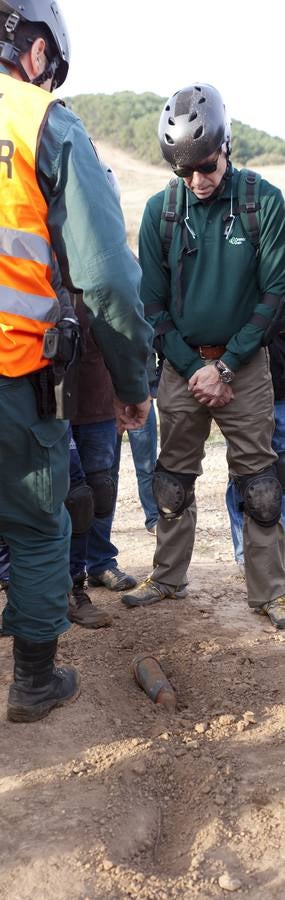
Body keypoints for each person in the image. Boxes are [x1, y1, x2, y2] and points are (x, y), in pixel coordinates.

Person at [0, 0, 152, 723]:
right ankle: (34, 684)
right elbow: (110, 278)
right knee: (36, 524)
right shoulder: (41, 121)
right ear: (34, 51)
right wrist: (133, 384)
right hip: (11, 372)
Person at [122, 82, 285, 631]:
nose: (197, 181)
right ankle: (168, 578)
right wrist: (195, 369)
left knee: (260, 485)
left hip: (246, 370)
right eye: (183, 171)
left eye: (206, 166)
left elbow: (274, 294)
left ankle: (270, 593)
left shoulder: (264, 202)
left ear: (227, 147)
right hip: (181, 368)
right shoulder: (159, 212)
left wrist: (227, 365)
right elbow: (152, 306)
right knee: (171, 480)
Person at [226, 335, 285, 565]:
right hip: (243, 390)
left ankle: (278, 553)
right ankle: (246, 554)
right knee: (246, 475)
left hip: (281, 390)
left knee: (281, 472)